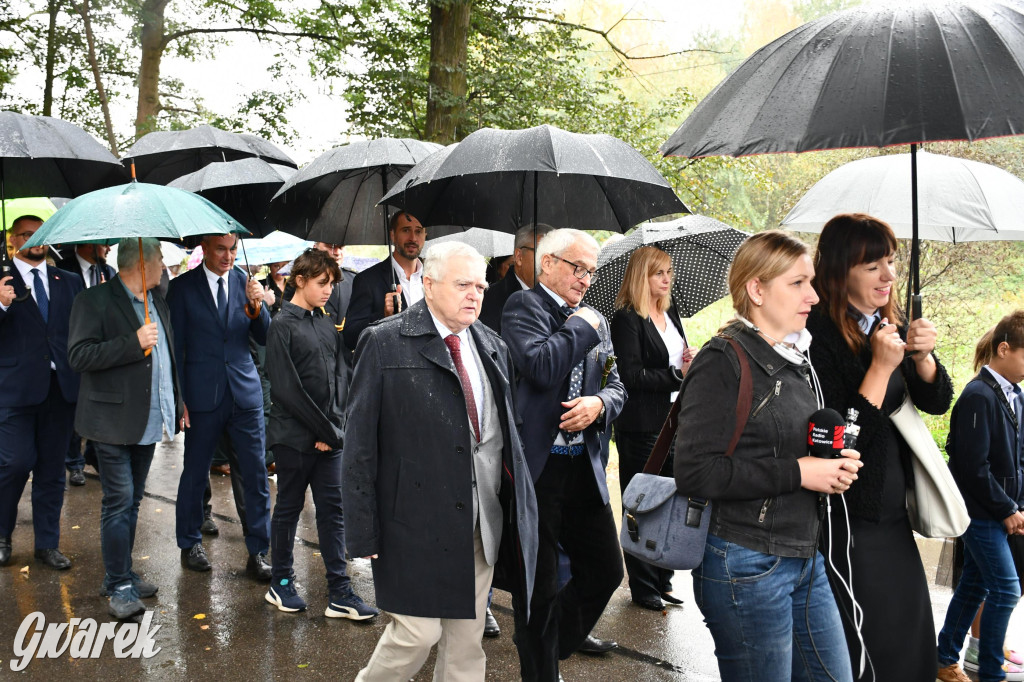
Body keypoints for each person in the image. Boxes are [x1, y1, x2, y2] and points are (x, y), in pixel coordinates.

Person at [343, 241, 537, 681]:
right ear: (428, 285)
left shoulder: (491, 345)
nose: (475, 294)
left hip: (480, 519)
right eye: (463, 284)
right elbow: (358, 447)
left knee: (466, 642)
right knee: (416, 633)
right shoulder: (384, 342)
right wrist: (361, 527)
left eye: (481, 286)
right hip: (412, 522)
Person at [675, 229, 859, 681]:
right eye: (797, 283)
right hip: (745, 563)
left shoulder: (796, 355)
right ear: (756, 289)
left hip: (804, 557)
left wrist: (829, 465)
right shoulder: (724, 359)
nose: (813, 296)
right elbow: (696, 472)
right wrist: (800, 473)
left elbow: (779, 443)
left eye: (811, 282)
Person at [805, 214, 953, 682]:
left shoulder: (889, 324)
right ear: (838, 270)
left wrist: (923, 358)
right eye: (872, 266)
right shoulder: (818, 336)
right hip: (850, 516)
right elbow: (836, 438)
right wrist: (880, 368)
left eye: (890, 262)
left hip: (894, 513)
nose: (889, 276)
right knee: (872, 640)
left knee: (910, 637)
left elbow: (936, 401)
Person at [501, 228, 627, 681]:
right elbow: (540, 366)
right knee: (538, 586)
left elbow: (617, 386)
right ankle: (540, 670)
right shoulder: (523, 307)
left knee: (606, 571)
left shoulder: (596, 318)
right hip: (539, 469)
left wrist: (598, 406)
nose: (586, 279)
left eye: (592, 271)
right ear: (547, 263)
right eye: (578, 268)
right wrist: (580, 325)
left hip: (582, 466)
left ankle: (547, 647)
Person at [67, 237, 182, 619]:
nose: (165, 264)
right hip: (109, 421)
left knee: (132, 501)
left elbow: (167, 358)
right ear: (142, 264)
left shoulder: (157, 301)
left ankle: (122, 571)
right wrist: (131, 342)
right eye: (160, 258)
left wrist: (176, 401)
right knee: (118, 501)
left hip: (149, 418)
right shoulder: (93, 301)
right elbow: (79, 355)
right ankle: (118, 584)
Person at [263, 248, 377, 619]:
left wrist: (336, 426)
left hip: (329, 438)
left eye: (331, 284)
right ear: (300, 281)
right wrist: (325, 429)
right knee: (289, 510)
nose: (329, 290)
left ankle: (340, 592)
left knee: (333, 512)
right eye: (322, 283)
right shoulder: (281, 324)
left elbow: (341, 375)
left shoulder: (326, 321)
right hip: (294, 439)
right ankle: (280, 582)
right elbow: (286, 389)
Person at [168, 233, 273, 579]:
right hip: (201, 395)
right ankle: (189, 542)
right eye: (220, 250)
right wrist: (179, 398)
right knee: (195, 472)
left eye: (231, 250)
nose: (228, 256)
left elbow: (265, 337)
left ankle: (258, 550)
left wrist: (259, 308)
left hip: (245, 394)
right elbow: (176, 348)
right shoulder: (182, 288)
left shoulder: (248, 283)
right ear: (204, 249)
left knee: (255, 473)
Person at [936, 312, 1024, 682]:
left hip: (1001, 510)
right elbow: (971, 467)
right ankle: (991, 672)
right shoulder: (978, 396)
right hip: (981, 513)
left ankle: (943, 659)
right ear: (1004, 349)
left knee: (975, 584)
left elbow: (1017, 458)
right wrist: (1006, 509)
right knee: (1006, 589)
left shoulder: (1014, 395)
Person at [610, 245, 697, 611]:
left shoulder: (670, 311)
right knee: (643, 504)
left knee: (672, 501)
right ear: (641, 276)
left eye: (670, 272)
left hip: (675, 421)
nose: (667, 279)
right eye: (659, 273)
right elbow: (630, 375)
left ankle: (663, 578)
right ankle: (643, 586)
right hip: (641, 425)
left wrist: (689, 360)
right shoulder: (627, 319)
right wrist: (677, 374)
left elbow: (677, 359)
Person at [0, 215, 82, 570]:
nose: (36, 239)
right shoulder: (2, 280)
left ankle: (47, 543)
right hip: (14, 391)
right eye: (27, 234)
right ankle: (2, 536)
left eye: (42, 234)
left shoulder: (70, 281)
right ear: (13, 239)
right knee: (15, 463)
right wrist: (1, 305)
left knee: (52, 470)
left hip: (60, 390)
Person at [58, 243, 115, 487]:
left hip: (102, 351)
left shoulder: (110, 272)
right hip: (74, 347)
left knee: (98, 407)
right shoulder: (63, 271)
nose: (108, 249)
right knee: (74, 406)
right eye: (103, 244)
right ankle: (74, 463)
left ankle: (94, 456)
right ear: (86, 244)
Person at [343, 212, 425, 349]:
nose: (413, 238)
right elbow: (350, 338)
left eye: (418, 231)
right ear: (392, 235)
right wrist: (383, 316)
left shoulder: (435, 279)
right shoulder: (367, 280)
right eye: (406, 230)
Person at [479, 223, 554, 335]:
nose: (550, 263)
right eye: (542, 254)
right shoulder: (489, 299)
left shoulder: (562, 298)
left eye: (556, 256)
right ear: (519, 257)